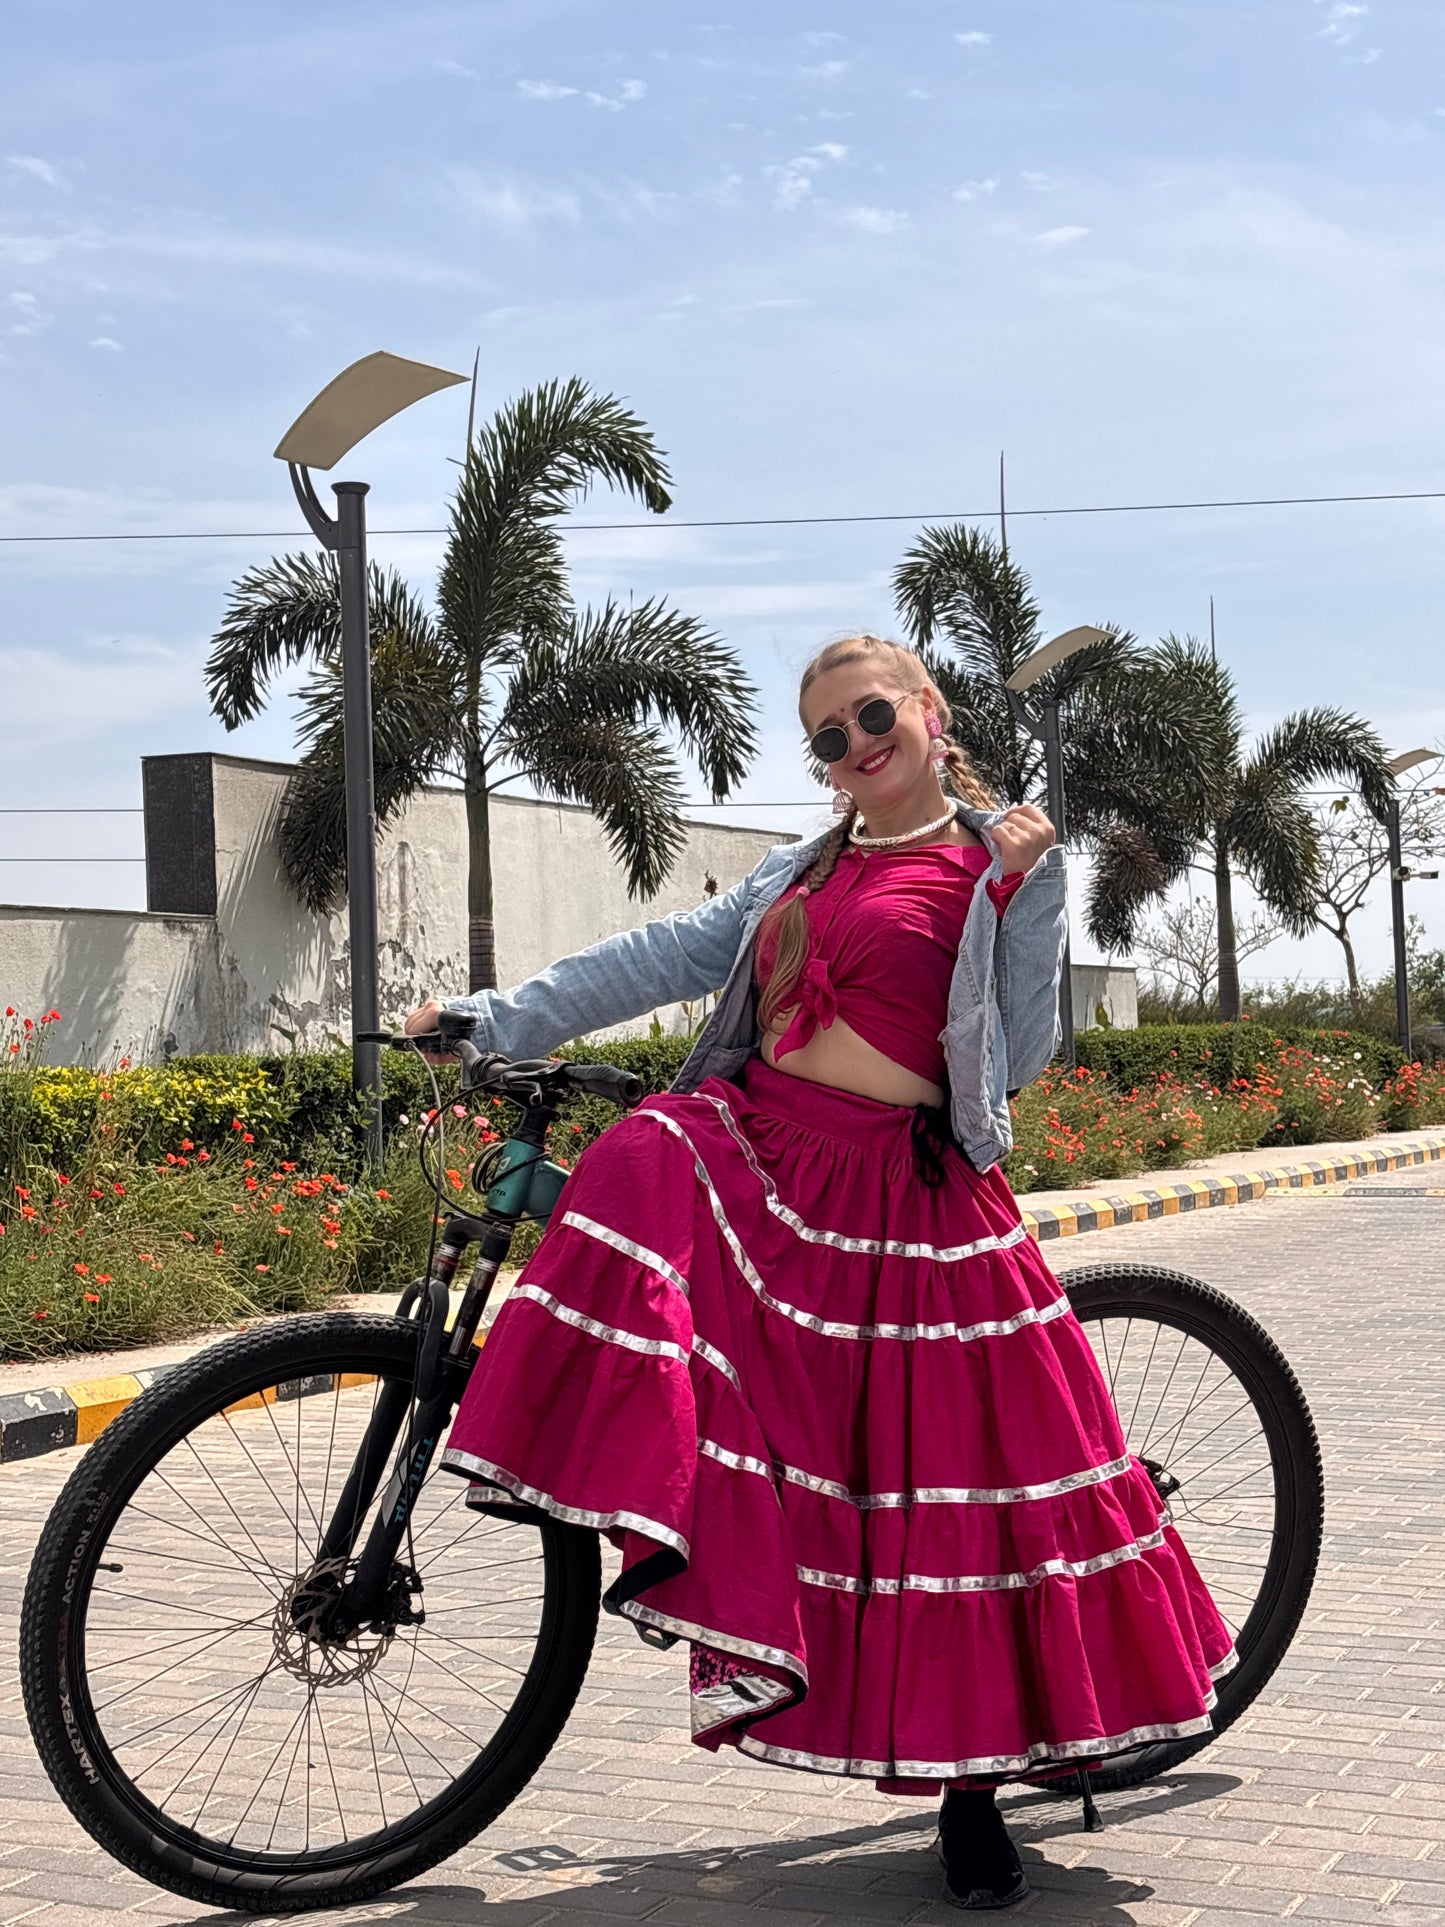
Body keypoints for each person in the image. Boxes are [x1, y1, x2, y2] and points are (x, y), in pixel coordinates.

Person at [406, 633, 1235, 1911]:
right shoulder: (796, 871)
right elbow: (656, 957)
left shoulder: (995, 855)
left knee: (944, 1498)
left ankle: (971, 1798)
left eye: (868, 718)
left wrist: (1014, 893)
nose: (853, 748)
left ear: (925, 712)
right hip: (771, 1161)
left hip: (906, 1194)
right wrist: (497, 1018)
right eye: (826, 738)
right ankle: (599, 1470)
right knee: (638, 1151)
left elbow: (1016, 1057)